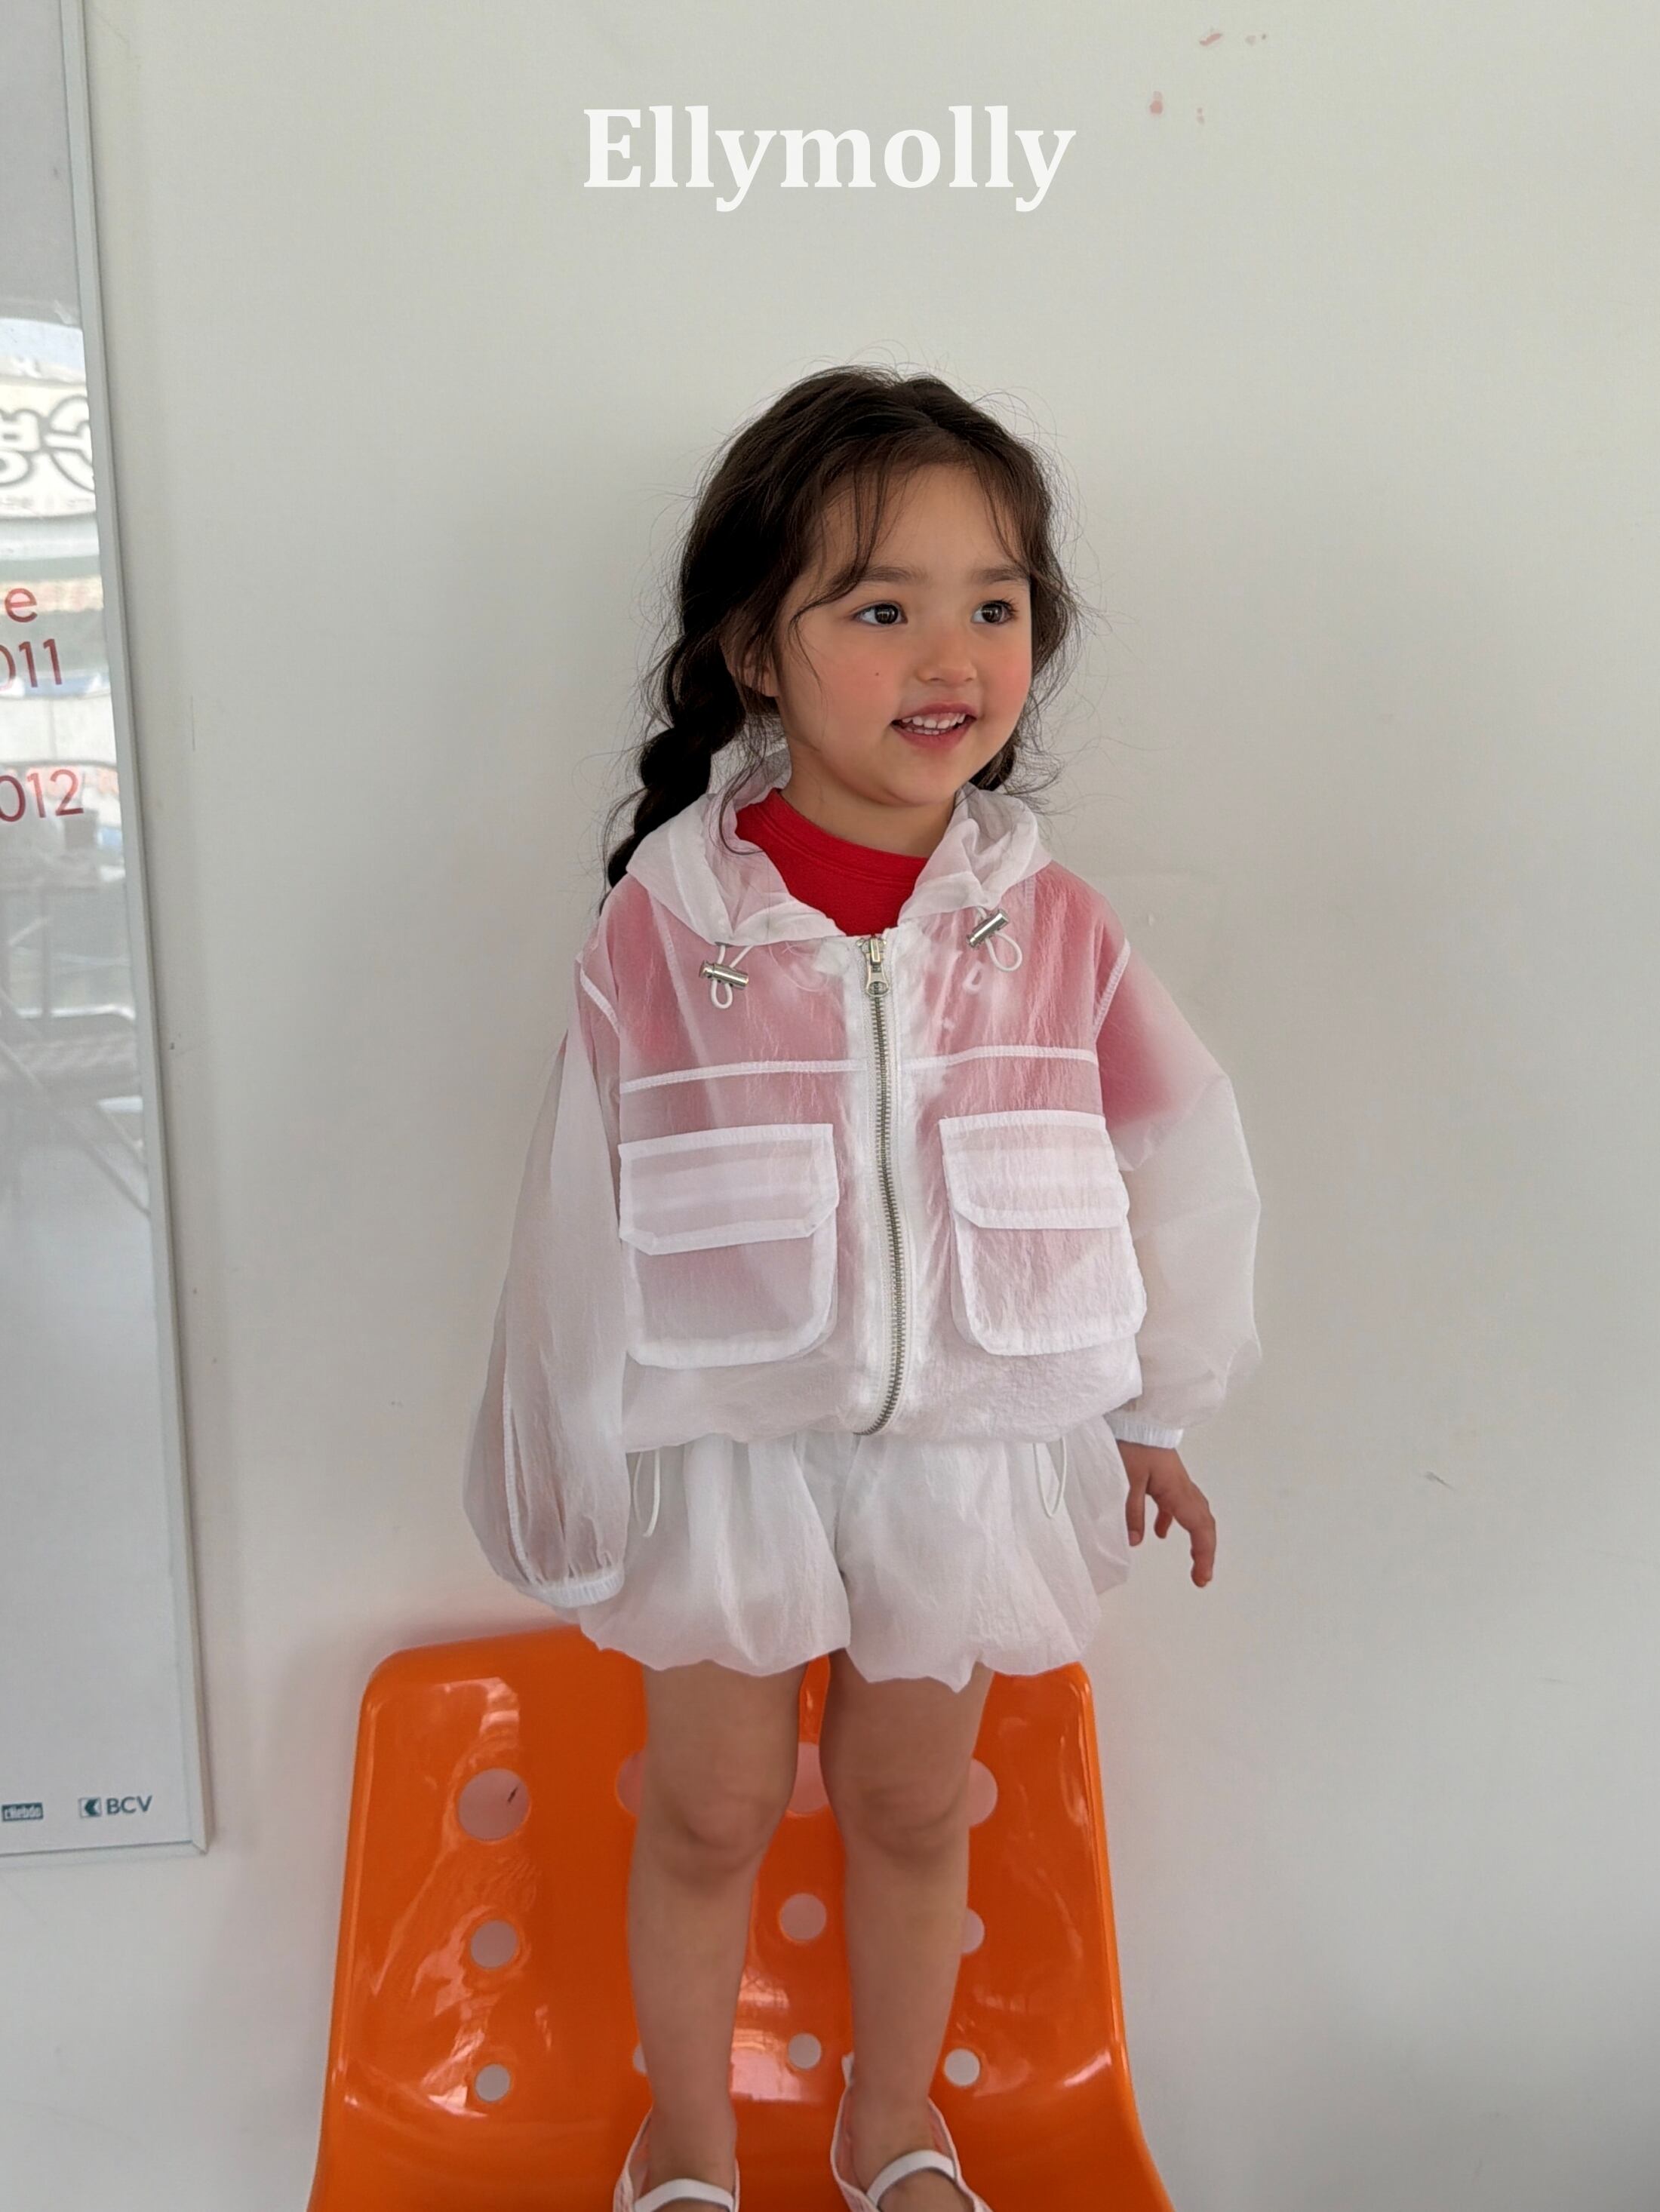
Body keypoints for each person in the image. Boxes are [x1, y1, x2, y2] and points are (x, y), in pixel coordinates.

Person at [463, 366, 1262, 2212]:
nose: (950, 652)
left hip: (967, 1455)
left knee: (910, 1800)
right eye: (879, 605)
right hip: (728, 1452)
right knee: (709, 1804)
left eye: (994, 601)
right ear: (755, 647)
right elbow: (571, 1209)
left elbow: (1178, 1146)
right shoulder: (668, 926)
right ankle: (684, 2135)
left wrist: (1154, 1401)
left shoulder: (1051, 926)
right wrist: (564, 1465)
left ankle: (891, 2121)